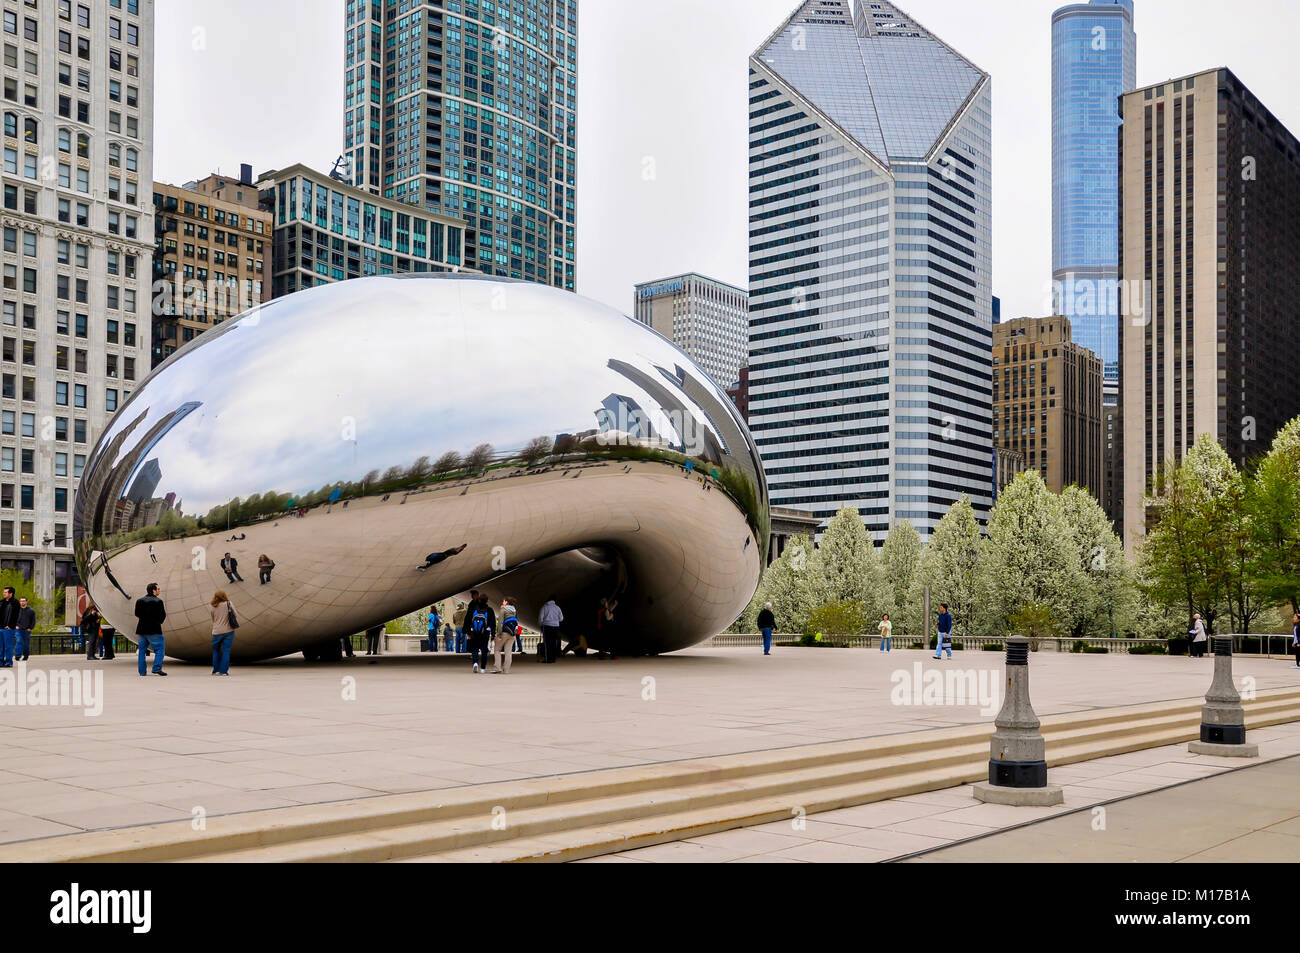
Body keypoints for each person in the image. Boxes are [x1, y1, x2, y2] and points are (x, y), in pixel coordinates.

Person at [134, 583, 168, 676]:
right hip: (154, 629)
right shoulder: (158, 601)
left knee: (142, 651)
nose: (159, 590)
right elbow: (163, 615)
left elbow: (137, 613)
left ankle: (142, 671)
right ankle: (157, 668)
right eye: (158, 589)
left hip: (141, 629)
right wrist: (158, 621)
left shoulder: (139, 601)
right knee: (160, 649)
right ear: (153, 590)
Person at [209, 590, 237, 676]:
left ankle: (216, 670)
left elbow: (213, 618)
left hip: (216, 631)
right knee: (226, 651)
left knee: (216, 651)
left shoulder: (212, 606)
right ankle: (224, 671)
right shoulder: (228, 603)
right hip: (228, 631)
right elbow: (235, 614)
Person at [466, 596, 495, 674]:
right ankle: (483, 668)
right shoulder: (490, 610)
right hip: (485, 632)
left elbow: (468, 620)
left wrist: (468, 632)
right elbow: (493, 623)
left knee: (474, 648)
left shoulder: (474, 609)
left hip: (474, 632)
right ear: (487, 601)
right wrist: (493, 634)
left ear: (479, 600)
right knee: (484, 650)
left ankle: (475, 663)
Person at [492, 597, 519, 674]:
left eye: (503, 601)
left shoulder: (503, 610)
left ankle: (497, 668)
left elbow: (500, 623)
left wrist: (499, 635)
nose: (502, 602)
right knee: (508, 652)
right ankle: (506, 670)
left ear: (506, 602)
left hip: (504, 632)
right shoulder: (514, 610)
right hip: (512, 634)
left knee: (497, 650)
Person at [539, 596, 563, 664]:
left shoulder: (544, 607)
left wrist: (541, 624)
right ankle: (553, 658)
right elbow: (561, 618)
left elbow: (541, 618)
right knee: (554, 642)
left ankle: (548, 659)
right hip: (556, 626)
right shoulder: (557, 608)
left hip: (547, 626)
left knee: (547, 643)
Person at [0, 586, 20, 668]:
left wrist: (11, 626)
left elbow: (16, 616)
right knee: (0, 646)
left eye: (5, 592)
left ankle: (9, 662)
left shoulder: (15, 603)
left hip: (9, 629)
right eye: (3, 592)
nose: (3, 593)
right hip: (0, 628)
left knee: (8, 646)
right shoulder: (1, 602)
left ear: (11, 594)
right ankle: (1, 662)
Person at [15, 596, 35, 662]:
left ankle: (26, 656)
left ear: (26, 602)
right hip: (18, 629)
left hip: (27, 630)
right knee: (19, 641)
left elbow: (33, 620)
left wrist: (30, 628)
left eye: (23, 601)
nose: (22, 602)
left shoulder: (31, 611)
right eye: (21, 601)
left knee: (26, 644)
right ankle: (17, 655)